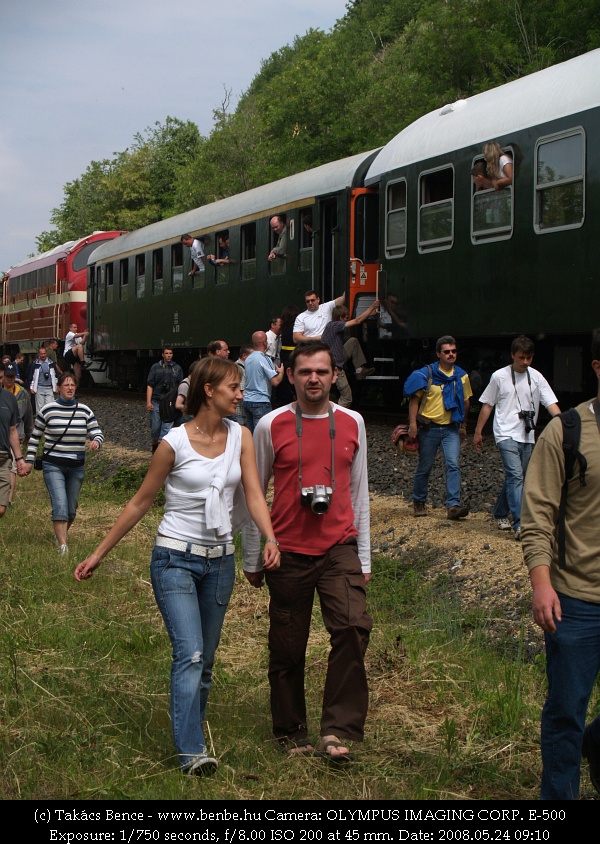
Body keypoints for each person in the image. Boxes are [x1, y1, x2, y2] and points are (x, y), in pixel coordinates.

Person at [74, 358, 281, 777]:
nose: (241, 394)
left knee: (205, 662)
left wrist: (270, 538)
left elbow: (256, 494)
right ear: (209, 390)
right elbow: (140, 501)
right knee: (189, 654)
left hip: (220, 561)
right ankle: (191, 752)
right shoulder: (174, 442)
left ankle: (193, 727)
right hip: (174, 559)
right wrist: (98, 553)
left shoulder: (240, 436)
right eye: (234, 387)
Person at [243, 340, 372, 762]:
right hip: (287, 550)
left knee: (353, 626)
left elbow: (359, 493)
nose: (313, 379)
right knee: (287, 644)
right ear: (291, 376)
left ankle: (336, 729)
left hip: (339, 546)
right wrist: (253, 554)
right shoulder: (271, 425)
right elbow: (255, 492)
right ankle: (290, 731)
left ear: (335, 375)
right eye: (305, 372)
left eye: (321, 371)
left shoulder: (353, 422)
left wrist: (364, 557)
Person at [521, 327, 600, 800]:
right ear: (596, 368)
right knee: (567, 711)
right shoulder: (566, 431)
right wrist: (541, 584)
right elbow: (537, 515)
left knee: (586, 726)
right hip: (578, 599)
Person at [473, 336, 560, 541]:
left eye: (529, 358)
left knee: (516, 477)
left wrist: (565, 423)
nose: (525, 362)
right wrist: (478, 432)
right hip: (505, 433)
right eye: (521, 357)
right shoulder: (499, 376)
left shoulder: (536, 377)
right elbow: (487, 405)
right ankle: (519, 523)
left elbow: (551, 403)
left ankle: (500, 512)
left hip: (527, 435)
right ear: (513, 355)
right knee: (516, 476)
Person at [23, 372, 103, 555]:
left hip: (76, 466)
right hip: (53, 466)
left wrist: (96, 441)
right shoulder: (48, 410)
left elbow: (97, 431)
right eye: (66, 385)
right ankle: (62, 547)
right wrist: (28, 461)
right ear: (58, 388)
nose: (69, 388)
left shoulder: (84, 410)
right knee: (60, 504)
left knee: (71, 510)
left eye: (72, 385)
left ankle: (60, 535)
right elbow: (35, 437)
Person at [403, 335, 472, 519]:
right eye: (447, 352)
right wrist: (412, 425)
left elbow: (466, 402)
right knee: (425, 466)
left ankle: (453, 506)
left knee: (453, 464)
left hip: (451, 428)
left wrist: (463, 425)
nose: (451, 355)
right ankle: (419, 501)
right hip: (429, 429)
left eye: (454, 351)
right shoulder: (427, 374)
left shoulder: (462, 376)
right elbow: (414, 400)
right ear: (438, 354)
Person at [293, 290, 375, 381]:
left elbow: (344, 297)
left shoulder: (326, 307)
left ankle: (359, 370)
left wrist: (354, 280)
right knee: (344, 392)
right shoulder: (301, 317)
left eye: (312, 300)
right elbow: (296, 338)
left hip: (334, 350)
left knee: (353, 341)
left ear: (318, 299)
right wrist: (317, 338)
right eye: (308, 301)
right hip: (316, 354)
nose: (310, 303)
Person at [321, 301, 380, 407]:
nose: (347, 320)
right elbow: (357, 321)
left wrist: (369, 314)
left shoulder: (330, 325)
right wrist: (372, 307)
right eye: (346, 318)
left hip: (333, 358)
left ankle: (359, 370)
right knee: (347, 398)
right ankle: (335, 417)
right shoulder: (336, 325)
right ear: (340, 318)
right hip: (335, 367)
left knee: (353, 341)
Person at [2, 362, 34, 506]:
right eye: (7, 376)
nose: (9, 379)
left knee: (12, 468)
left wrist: (29, 434)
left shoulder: (22, 393)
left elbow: (28, 415)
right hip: (3, 436)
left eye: (12, 376)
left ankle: (8, 499)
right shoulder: (3, 394)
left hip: (16, 436)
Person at [242, 331, 284, 433]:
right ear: (265, 343)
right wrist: (281, 372)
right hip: (260, 401)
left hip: (247, 400)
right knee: (261, 434)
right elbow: (275, 381)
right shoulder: (264, 359)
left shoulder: (248, 359)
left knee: (251, 434)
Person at [146, 347, 184, 453]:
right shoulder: (155, 367)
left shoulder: (177, 368)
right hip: (156, 400)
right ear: (162, 354)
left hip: (170, 402)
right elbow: (150, 385)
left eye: (170, 353)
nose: (168, 355)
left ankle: (162, 450)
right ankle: (154, 444)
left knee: (167, 426)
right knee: (155, 426)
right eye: (166, 353)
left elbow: (180, 385)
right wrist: (148, 402)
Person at [30, 345, 59, 414]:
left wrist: (56, 386)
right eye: (41, 354)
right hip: (39, 388)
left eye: (44, 353)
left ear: (46, 353)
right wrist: (31, 387)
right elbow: (32, 377)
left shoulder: (51, 363)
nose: (43, 355)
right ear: (39, 354)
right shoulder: (35, 364)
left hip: (49, 388)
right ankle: (40, 422)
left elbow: (55, 376)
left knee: (50, 407)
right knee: (40, 408)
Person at [233, 344, 253, 426]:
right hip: (239, 412)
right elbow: (242, 392)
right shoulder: (239, 369)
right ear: (244, 356)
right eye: (252, 356)